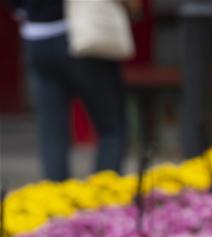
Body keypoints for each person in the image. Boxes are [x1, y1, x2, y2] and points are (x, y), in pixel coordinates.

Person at [10, 0, 136, 181]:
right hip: (80, 31)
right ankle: (105, 198)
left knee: (52, 131)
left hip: (36, 36)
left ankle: (57, 198)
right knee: (111, 128)